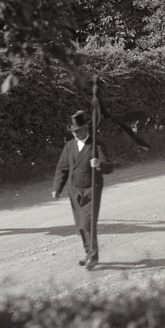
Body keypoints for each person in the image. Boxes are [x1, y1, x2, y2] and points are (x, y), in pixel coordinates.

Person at [52, 109, 115, 268]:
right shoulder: (69, 146)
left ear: (85, 129)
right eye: (73, 132)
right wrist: (57, 188)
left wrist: (100, 165)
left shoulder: (96, 145)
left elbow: (110, 167)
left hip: (91, 188)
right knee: (80, 225)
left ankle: (92, 257)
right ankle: (89, 253)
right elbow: (62, 168)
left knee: (88, 223)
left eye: (78, 131)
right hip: (74, 190)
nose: (75, 134)